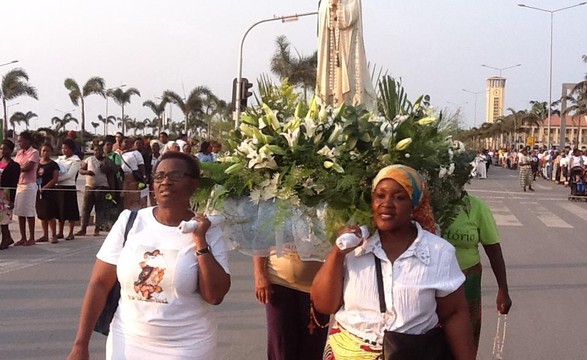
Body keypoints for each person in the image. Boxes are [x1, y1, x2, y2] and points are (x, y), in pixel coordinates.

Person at [66, 151, 231, 360]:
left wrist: (200, 241)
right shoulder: (130, 221)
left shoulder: (207, 229)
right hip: (127, 341)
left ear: (194, 184)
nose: (166, 182)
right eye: (160, 176)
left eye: (175, 176)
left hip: (187, 345)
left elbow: (215, 296)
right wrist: (81, 344)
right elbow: (99, 283)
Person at [311, 165, 475, 359]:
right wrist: (337, 254)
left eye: (399, 197)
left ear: (414, 205)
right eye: (380, 196)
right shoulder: (353, 248)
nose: (387, 204)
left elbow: (454, 313)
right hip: (347, 352)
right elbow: (324, 306)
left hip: (412, 352)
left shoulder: (439, 252)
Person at [442, 194, 512, 356]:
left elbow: (493, 249)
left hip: (468, 282)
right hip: (431, 284)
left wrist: (503, 289)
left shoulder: (477, 207)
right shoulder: (428, 205)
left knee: (465, 337)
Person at [316, 0, 376, 111]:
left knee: (350, 86)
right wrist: (330, 8)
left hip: (347, 49)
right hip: (331, 52)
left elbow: (350, 17)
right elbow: (324, 18)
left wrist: (338, 7)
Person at [76, 142, 116, 237]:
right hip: (89, 186)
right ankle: (83, 229)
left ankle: (97, 229)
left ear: (103, 151)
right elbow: (81, 170)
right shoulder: (89, 159)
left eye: (100, 150)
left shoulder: (107, 161)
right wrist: (86, 172)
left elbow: (111, 176)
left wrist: (112, 190)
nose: (98, 152)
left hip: (102, 187)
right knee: (86, 208)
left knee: (100, 209)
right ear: (93, 151)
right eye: (96, 150)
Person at [13, 131, 40, 246]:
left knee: (29, 212)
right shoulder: (19, 153)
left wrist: (15, 169)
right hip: (19, 184)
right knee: (20, 212)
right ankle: (23, 237)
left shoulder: (34, 152)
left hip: (29, 184)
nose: (20, 143)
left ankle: (32, 237)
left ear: (28, 141)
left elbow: (28, 167)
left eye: (21, 141)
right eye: (19, 141)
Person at [56, 139, 82, 240]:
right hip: (59, 186)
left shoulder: (76, 160)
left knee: (71, 210)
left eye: (66, 148)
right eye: (63, 148)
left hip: (69, 186)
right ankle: (60, 232)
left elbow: (69, 175)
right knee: (60, 209)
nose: (64, 150)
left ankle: (71, 232)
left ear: (72, 149)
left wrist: (56, 179)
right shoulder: (59, 159)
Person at [36, 144, 60, 244]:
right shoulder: (38, 164)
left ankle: (54, 235)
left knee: (50, 214)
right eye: (43, 151)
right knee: (41, 214)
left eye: (47, 151)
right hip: (38, 190)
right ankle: (45, 235)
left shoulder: (53, 165)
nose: (45, 153)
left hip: (49, 192)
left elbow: (55, 179)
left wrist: (45, 187)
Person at [0, 140, 20, 250]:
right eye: (1, 148)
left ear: (11, 150)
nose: (3, 151)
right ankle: (8, 237)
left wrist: (12, 200)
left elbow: (14, 183)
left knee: (4, 219)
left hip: (6, 193)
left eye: (5, 149)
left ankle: (5, 239)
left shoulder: (14, 166)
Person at [120, 137, 147, 209]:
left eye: (129, 142)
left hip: (133, 177)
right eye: (125, 142)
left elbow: (141, 165)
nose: (127, 144)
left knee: (134, 196)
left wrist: (144, 176)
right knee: (125, 197)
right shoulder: (118, 153)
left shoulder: (136, 153)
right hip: (123, 178)